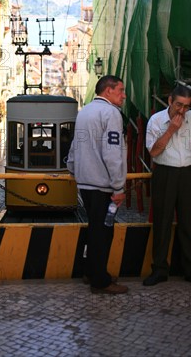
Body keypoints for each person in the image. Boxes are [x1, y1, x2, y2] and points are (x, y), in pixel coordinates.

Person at [143, 85, 191, 288]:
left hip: (187, 174)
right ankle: (159, 270)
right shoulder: (155, 120)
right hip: (164, 172)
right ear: (170, 100)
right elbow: (154, 152)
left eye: (186, 106)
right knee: (162, 222)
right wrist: (171, 129)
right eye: (179, 105)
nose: (182, 110)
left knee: (188, 222)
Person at [67, 75, 128, 295]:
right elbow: (112, 153)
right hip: (103, 184)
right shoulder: (111, 113)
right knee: (103, 232)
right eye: (120, 90)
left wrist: (73, 169)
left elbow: (75, 146)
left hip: (85, 182)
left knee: (94, 229)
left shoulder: (85, 112)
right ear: (108, 91)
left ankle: (91, 272)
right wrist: (118, 186)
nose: (124, 95)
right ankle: (100, 282)